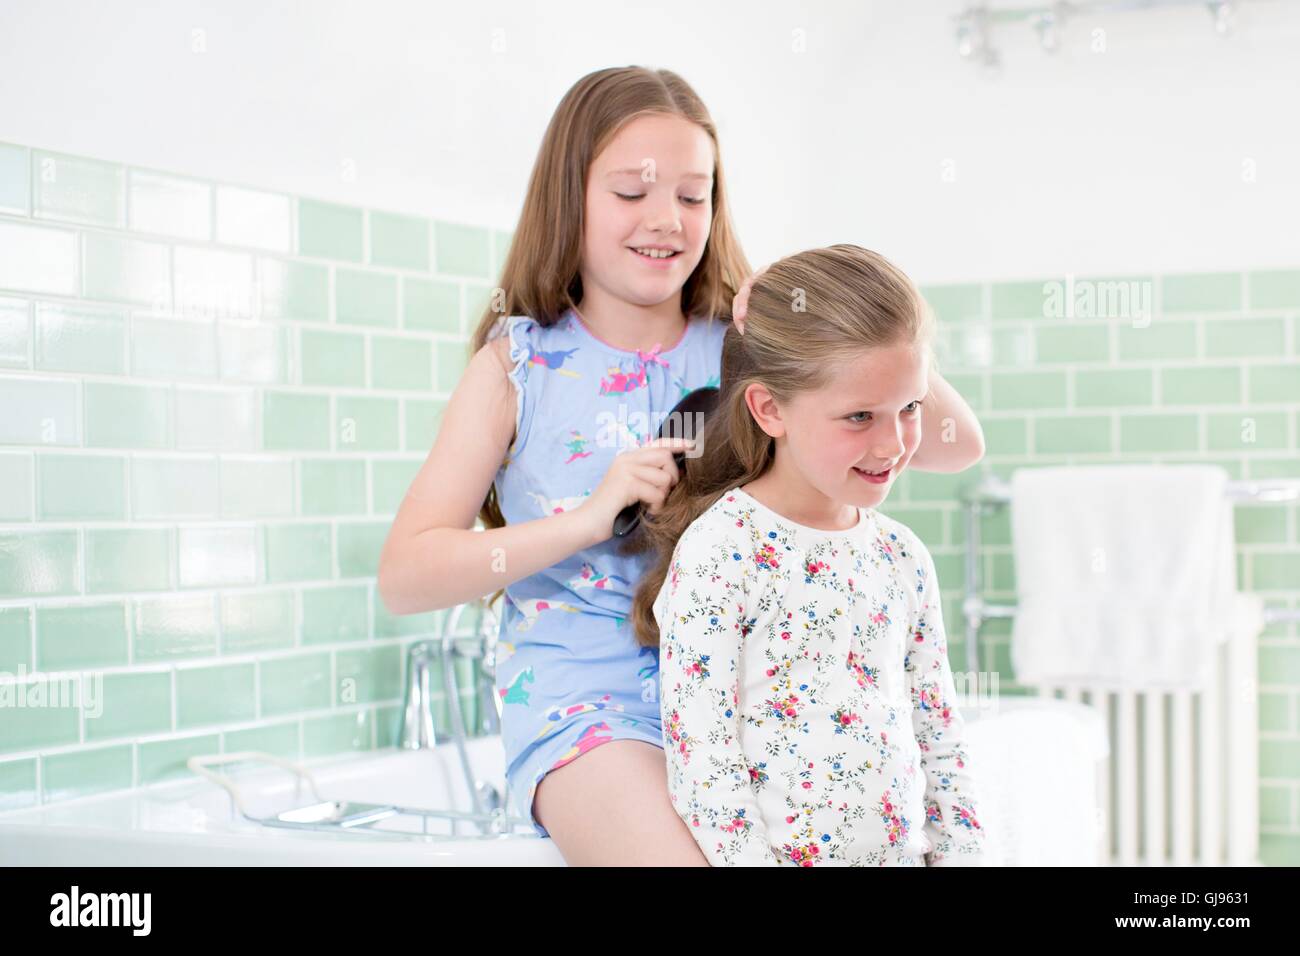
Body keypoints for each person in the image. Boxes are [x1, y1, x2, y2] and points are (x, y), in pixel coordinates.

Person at [378, 67, 986, 866]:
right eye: (633, 191)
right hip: (591, 710)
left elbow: (951, 442)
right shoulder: (517, 369)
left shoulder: (738, 350)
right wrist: (586, 522)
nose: (666, 219)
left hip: (756, 699)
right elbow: (406, 577)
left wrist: (805, 308)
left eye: (694, 196)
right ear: (571, 197)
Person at [633, 244, 988, 866]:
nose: (896, 443)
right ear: (770, 409)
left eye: (908, 407)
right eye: (859, 416)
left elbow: (940, 738)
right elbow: (704, 765)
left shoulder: (902, 556)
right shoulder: (722, 552)